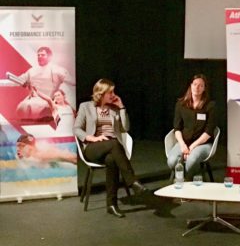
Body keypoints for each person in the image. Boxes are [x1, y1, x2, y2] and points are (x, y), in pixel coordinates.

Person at [73, 78, 147, 218]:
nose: (113, 95)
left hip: (113, 149)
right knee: (113, 143)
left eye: (114, 91)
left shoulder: (114, 109)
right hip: (93, 148)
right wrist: (93, 138)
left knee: (112, 159)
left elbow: (125, 128)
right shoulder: (86, 107)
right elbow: (76, 129)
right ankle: (132, 182)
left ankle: (111, 205)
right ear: (101, 93)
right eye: (110, 92)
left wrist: (122, 108)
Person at [167, 74, 216, 180]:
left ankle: (184, 182)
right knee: (171, 161)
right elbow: (177, 128)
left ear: (204, 89)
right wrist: (183, 145)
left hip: (203, 144)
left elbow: (208, 132)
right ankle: (184, 180)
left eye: (200, 85)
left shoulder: (210, 105)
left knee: (191, 161)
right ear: (190, 86)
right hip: (184, 142)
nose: (197, 88)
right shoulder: (181, 104)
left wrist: (192, 147)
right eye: (195, 84)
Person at [15, 47, 74, 120]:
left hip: (49, 100)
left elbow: (73, 82)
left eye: (42, 55)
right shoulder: (31, 71)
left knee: (35, 108)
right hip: (34, 98)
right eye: (38, 55)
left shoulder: (57, 70)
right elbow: (17, 80)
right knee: (22, 108)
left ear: (49, 57)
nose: (40, 57)